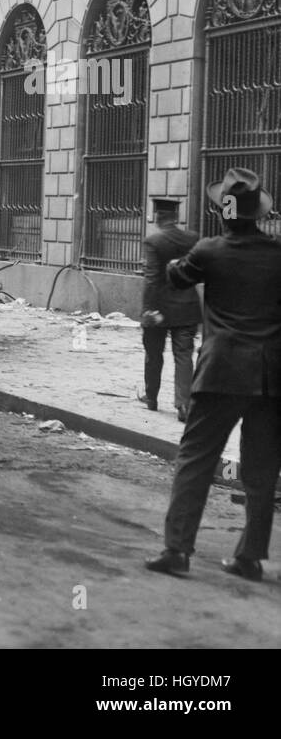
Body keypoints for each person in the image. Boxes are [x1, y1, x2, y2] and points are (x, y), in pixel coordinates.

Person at [146, 168, 281, 582]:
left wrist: (178, 260)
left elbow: (177, 276)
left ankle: (177, 550)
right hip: (272, 374)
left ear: (222, 212)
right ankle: (250, 558)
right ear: (258, 212)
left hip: (221, 370)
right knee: (262, 470)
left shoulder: (210, 250)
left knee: (196, 459)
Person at [140, 199, 201, 422]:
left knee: (153, 354)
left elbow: (152, 279)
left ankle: (151, 398)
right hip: (187, 307)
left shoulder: (153, 241)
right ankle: (184, 405)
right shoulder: (192, 238)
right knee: (184, 356)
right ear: (176, 216)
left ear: (157, 217)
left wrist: (148, 310)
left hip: (159, 309)